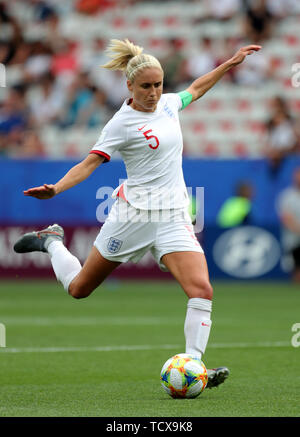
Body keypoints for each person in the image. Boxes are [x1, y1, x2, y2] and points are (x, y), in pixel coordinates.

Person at [14, 38, 261, 389]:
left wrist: (230, 63)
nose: (154, 92)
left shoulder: (169, 105)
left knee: (201, 289)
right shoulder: (121, 123)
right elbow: (89, 164)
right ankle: (52, 241)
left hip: (173, 216)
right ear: (129, 85)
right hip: (133, 217)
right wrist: (55, 188)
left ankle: (193, 365)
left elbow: (195, 88)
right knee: (80, 288)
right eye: (146, 86)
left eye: (158, 84)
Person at [277, 167, 300, 283]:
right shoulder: (287, 196)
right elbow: (285, 216)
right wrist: (296, 228)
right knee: (294, 263)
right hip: (292, 236)